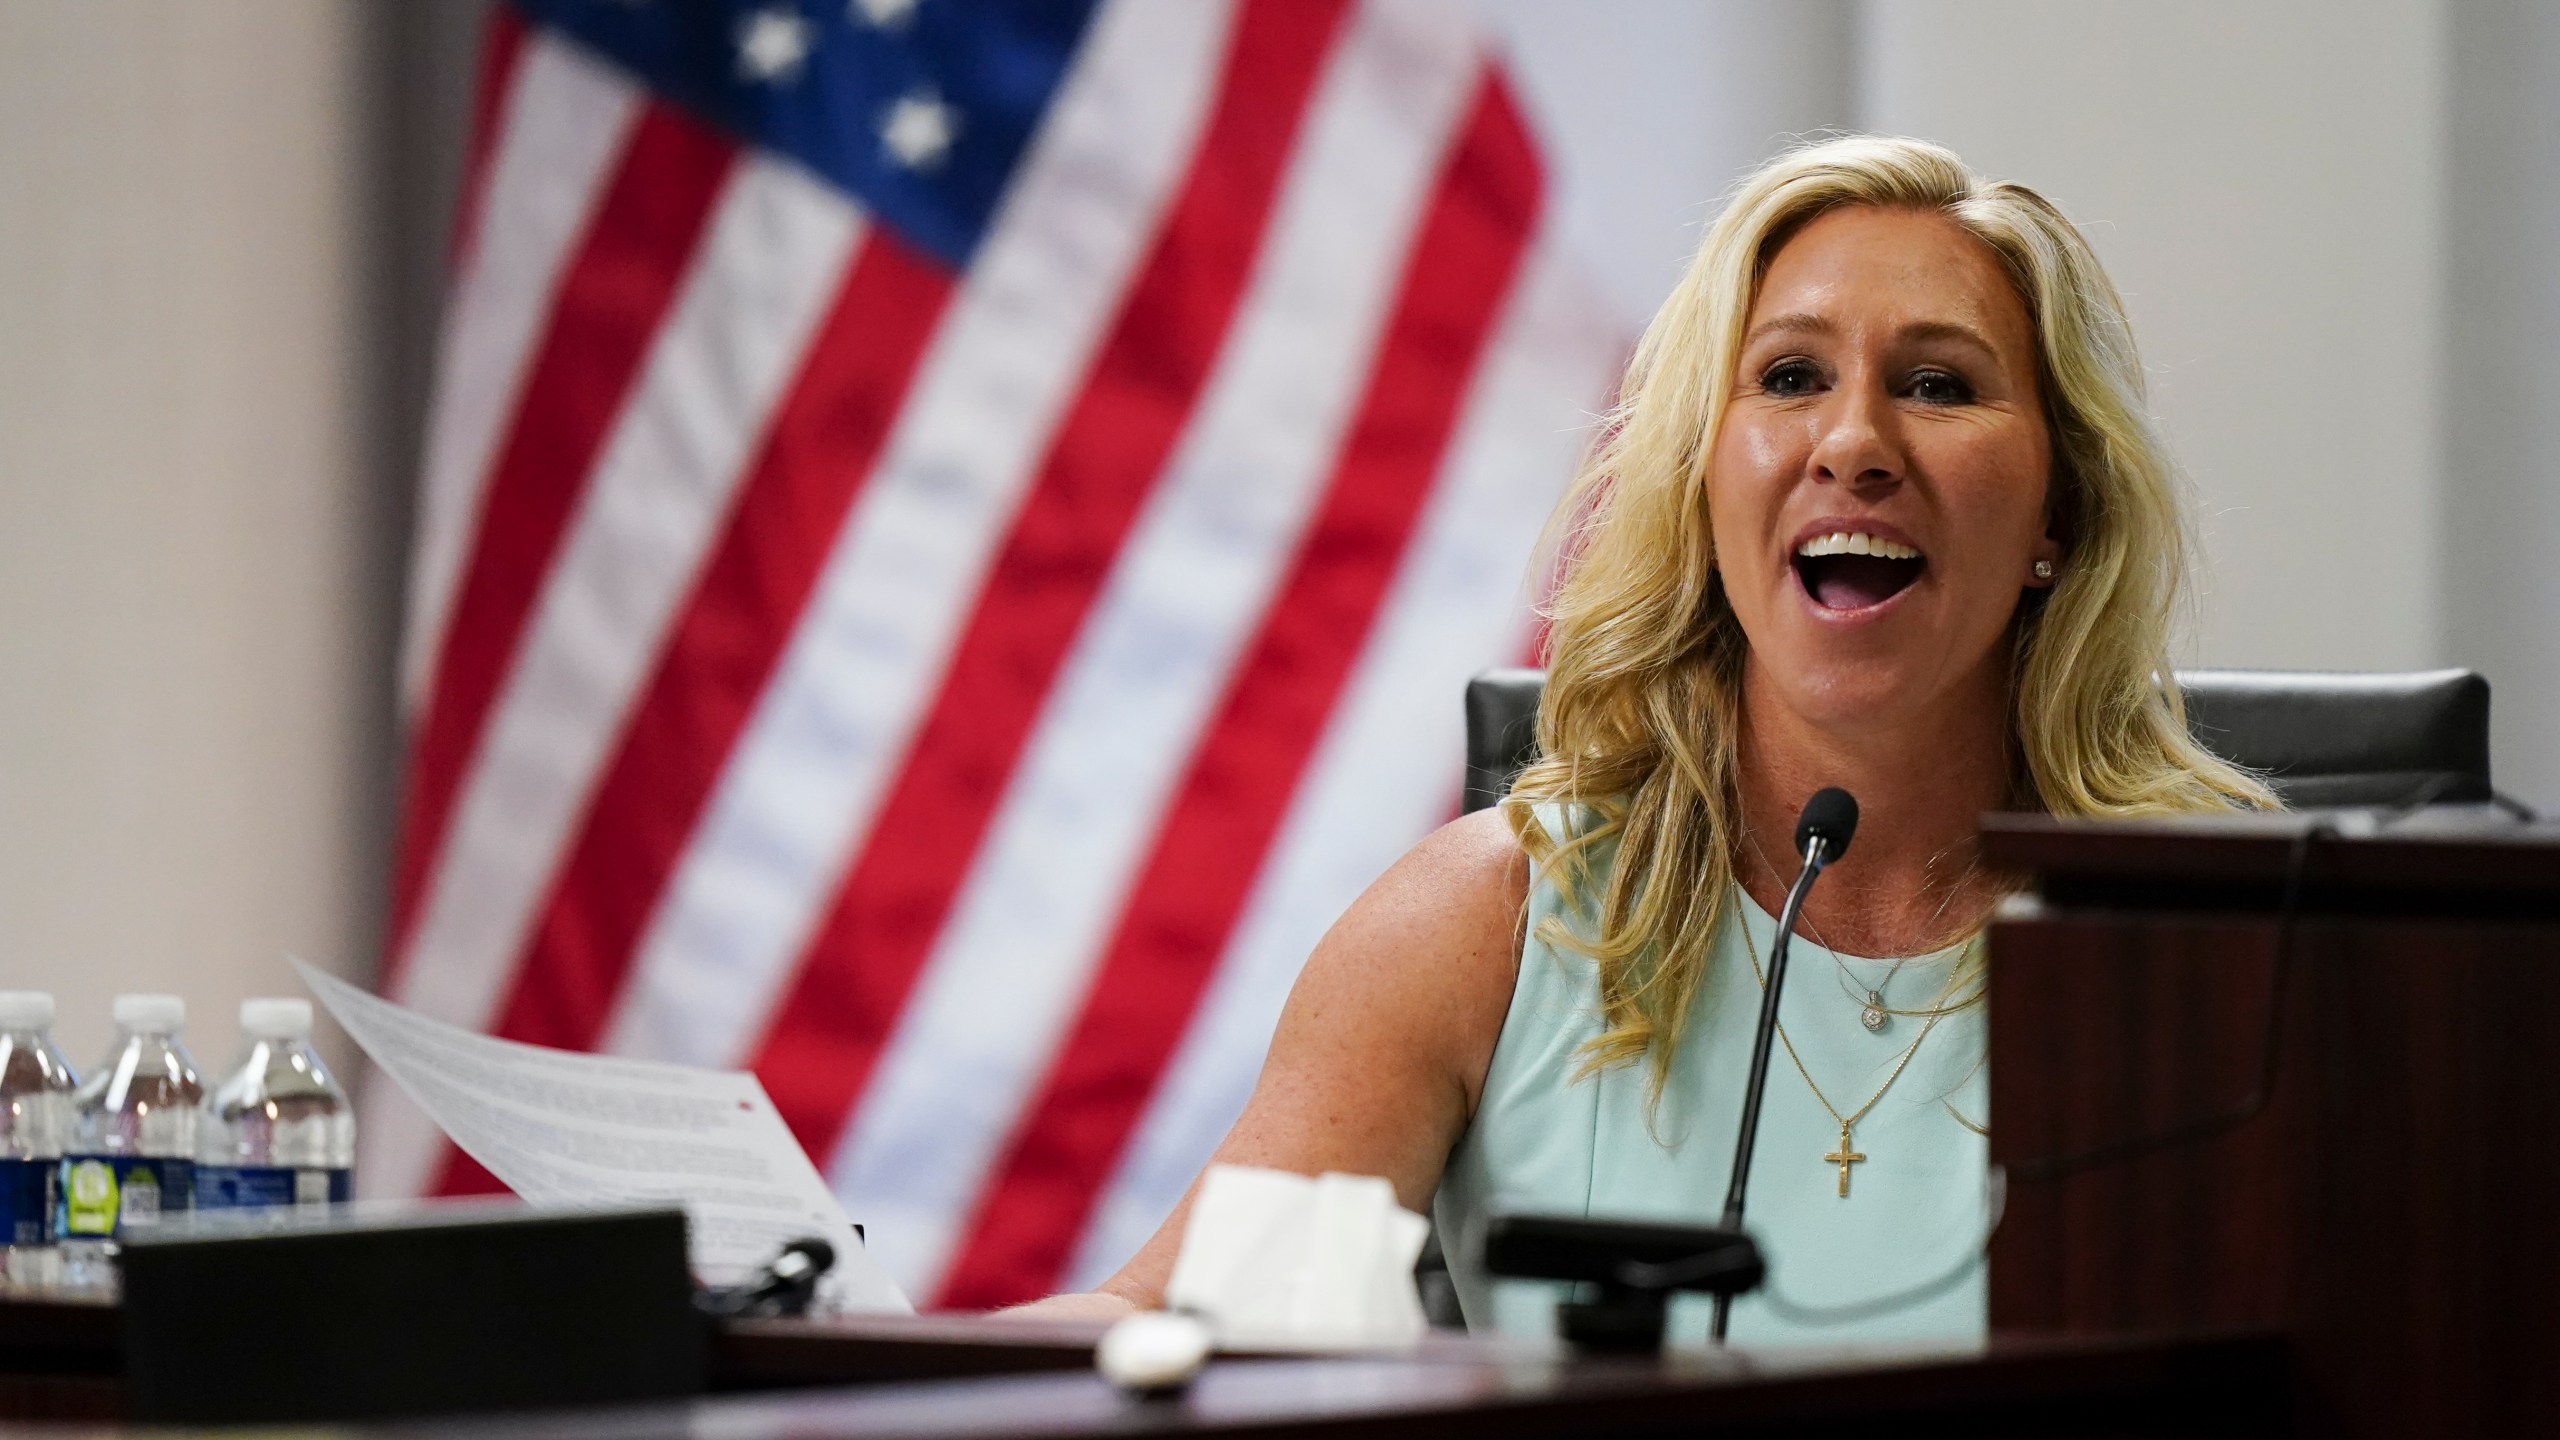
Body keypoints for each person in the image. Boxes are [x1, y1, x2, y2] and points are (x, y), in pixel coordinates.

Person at [1008, 134, 2270, 1341]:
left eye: (1937, 385)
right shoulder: (1491, 919)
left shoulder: (2230, 942)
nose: (1851, 443)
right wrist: (853, 1366)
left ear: (2059, 506)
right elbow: (1171, 1325)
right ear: (1702, 477)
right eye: (1787, 378)